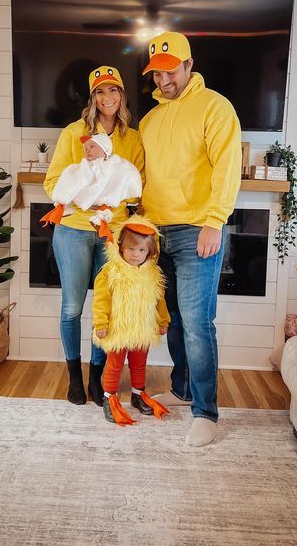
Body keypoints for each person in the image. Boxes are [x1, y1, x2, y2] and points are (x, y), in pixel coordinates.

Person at [139, 31, 241, 447]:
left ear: (188, 66)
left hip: (198, 230)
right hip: (155, 234)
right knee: (176, 322)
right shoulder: (148, 120)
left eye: (170, 71)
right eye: (156, 74)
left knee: (198, 323)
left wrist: (215, 221)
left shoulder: (214, 107)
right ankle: (182, 388)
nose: (163, 81)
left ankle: (206, 413)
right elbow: (143, 177)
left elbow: (226, 167)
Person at [44, 66, 144, 407]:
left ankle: (95, 376)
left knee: (109, 307)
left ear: (122, 95)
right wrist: (83, 196)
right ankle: (74, 375)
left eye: (113, 90)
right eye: (101, 92)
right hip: (72, 231)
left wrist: (117, 199)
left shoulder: (132, 138)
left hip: (111, 232)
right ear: (92, 98)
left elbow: (137, 184)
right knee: (72, 306)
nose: (108, 98)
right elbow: (52, 182)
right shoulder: (74, 133)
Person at [92, 215, 170, 426]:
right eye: (131, 249)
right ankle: (109, 397)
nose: (136, 255)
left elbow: (159, 299)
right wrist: (101, 322)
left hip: (142, 328)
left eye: (142, 250)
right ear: (120, 248)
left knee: (138, 363)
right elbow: (101, 299)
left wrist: (163, 321)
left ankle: (138, 395)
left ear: (151, 252)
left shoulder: (153, 273)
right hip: (118, 328)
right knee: (115, 364)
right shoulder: (110, 272)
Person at [40, 132, 142, 241]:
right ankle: (65, 206)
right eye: (85, 149)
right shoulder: (83, 162)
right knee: (70, 176)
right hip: (74, 223)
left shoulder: (115, 164)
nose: (87, 150)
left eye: (92, 146)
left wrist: (120, 191)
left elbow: (128, 175)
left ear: (105, 149)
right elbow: (57, 179)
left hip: (109, 205)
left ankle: (100, 219)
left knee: (110, 199)